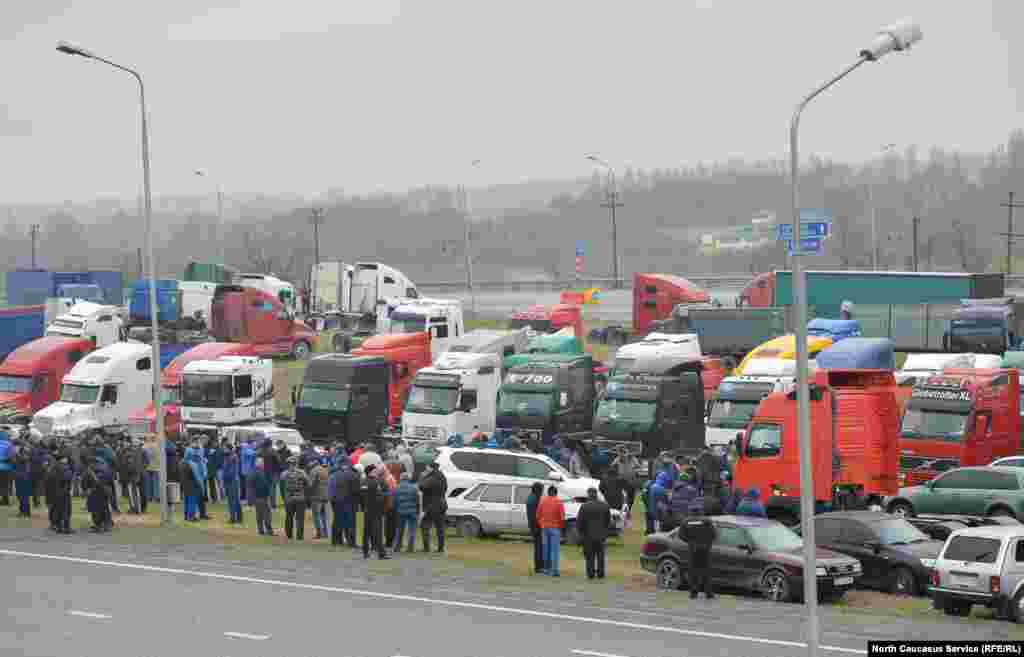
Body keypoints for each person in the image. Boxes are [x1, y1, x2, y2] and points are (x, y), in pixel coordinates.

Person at [682, 499, 719, 600]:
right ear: (701, 510)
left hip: (693, 549)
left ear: (691, 511)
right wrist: (708, 543)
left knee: (693, 571)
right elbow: (714, 534)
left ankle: (693, 593)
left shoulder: (686, 521)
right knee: (706, 571)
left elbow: (681, 535)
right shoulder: (707, 521)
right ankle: (708, 593)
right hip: (705, 549)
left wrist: (690, 542)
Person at [577, 487, 612, 580]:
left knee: (590, 555)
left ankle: (590, 573)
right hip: (601, 535)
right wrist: (605, 532)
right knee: (600, 555)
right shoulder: (604, 505)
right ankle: (601, 573)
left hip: (588, 535)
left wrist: (581, 533)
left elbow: (580, 522)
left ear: (588, 495)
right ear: (596, 494)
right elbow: (608, 521)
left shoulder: (584, 506)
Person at [418, 461, 448, 553]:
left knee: (425, 526)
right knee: (440, 527)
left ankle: (426, 548)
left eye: (427, 467)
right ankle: (441, 548)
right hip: (442, 504)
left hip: (431, 505)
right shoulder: (442, 476)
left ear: (430, 468)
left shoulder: (432, 477)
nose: (426, 469)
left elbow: (422, 486)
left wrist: (422, 477)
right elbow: (445, 488)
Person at [536, 485, 565, 577]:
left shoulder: (542, 501)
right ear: (555, 493)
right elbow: (562, 517)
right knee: (554, 550)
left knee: (546, 549)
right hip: (555, 528)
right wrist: (560, 527)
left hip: (544, 528)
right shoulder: (558, 502)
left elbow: (538, 516)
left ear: (548, 492)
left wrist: (542, 524)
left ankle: (546, 569)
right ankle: (554, 570)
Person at [361, 464, 389, 559]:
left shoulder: (363, 481)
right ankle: (381, 553)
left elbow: (362, 495)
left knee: (367, 531)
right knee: (377, 532)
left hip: (367, 509)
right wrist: (383, 496)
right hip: (376, 509)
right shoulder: (377, 481)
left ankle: (365, 551)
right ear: (371, 471)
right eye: (375, 470)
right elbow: (381, 495)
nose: (377, 472)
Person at [330, 461, 358, 547]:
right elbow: (356, 491)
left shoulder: (335, 475)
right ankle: (351, 542)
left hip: (337, 501)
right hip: (349, 501)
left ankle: (336, 541)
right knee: (350, 522)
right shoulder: (353, 475)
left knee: (337, 520)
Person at [283, 456, 310, 540]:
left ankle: (289, 535)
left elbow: (281, 486)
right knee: (300, 518)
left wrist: (285, 497)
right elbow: (308, 484)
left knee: (289, 517)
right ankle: (299, 536)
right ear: (296, 464)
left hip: (289, 498)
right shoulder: (302, 473)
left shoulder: (284, 474)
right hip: (300, 498)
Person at [392, 471, 420, 553]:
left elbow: (395, 501)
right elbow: (417, 501)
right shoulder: (414, 488)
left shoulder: (397, 488)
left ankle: (397, 546)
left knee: (399, 529)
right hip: (412, 511)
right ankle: (410, 547)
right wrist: (417, 511)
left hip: (400, 511)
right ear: (409, 479)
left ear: (401, 478)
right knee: (412, 529)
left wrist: (396, 509)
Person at [526, 482, 545, 575]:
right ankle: (539, 567)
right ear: (537, 490)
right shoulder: (535, 499)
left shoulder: (531, 497)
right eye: (541, 490)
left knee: (538, 547)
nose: (542, 492)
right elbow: (535, 515)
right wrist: (539, 526)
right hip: (536, 526)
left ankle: (539, 566)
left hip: (533, 526)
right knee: (539, 547)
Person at [308, 458, 329, 539]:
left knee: (316, 515)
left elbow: (311, 484)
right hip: (326, 495)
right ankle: (326, 533)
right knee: (324, 516)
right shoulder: (325, 470)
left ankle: (319, 533)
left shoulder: (313, 471)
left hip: (316, 496)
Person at [222, 442, 243, 524]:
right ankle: (237, 517)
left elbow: (232, 471)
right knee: (233, 500)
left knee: (233, 500)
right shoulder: (228, 456)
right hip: (230, 481)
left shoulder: (232, 457)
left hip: (232, 481)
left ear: (229, 448)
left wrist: (225, 477)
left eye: (225, 448)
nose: (223, 449)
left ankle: (234, 517)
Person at [252, 458, 274, 536]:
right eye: (262, 463)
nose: (263, 464)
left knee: (259, 515)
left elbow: (251, 486)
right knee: (266, 514)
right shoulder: (261, 473)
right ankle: (269, 531)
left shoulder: (254, 473)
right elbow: (265, 485)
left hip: (257, 497)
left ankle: (261, 530)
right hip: (262, 497)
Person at [14, 446, 33, 518]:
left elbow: (22, 459)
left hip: (22, 478)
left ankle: (24, 512)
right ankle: (25, 512)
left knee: (23, 496)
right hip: (23, 477)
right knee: (23, 496)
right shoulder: (23, 457)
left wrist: (17, 453)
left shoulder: (23, 458)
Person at [0, 429, 13, 506]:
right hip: (6, 468)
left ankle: (4, 500)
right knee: (5, 484)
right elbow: (11, 457)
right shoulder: (9, 444)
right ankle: (5, 500)